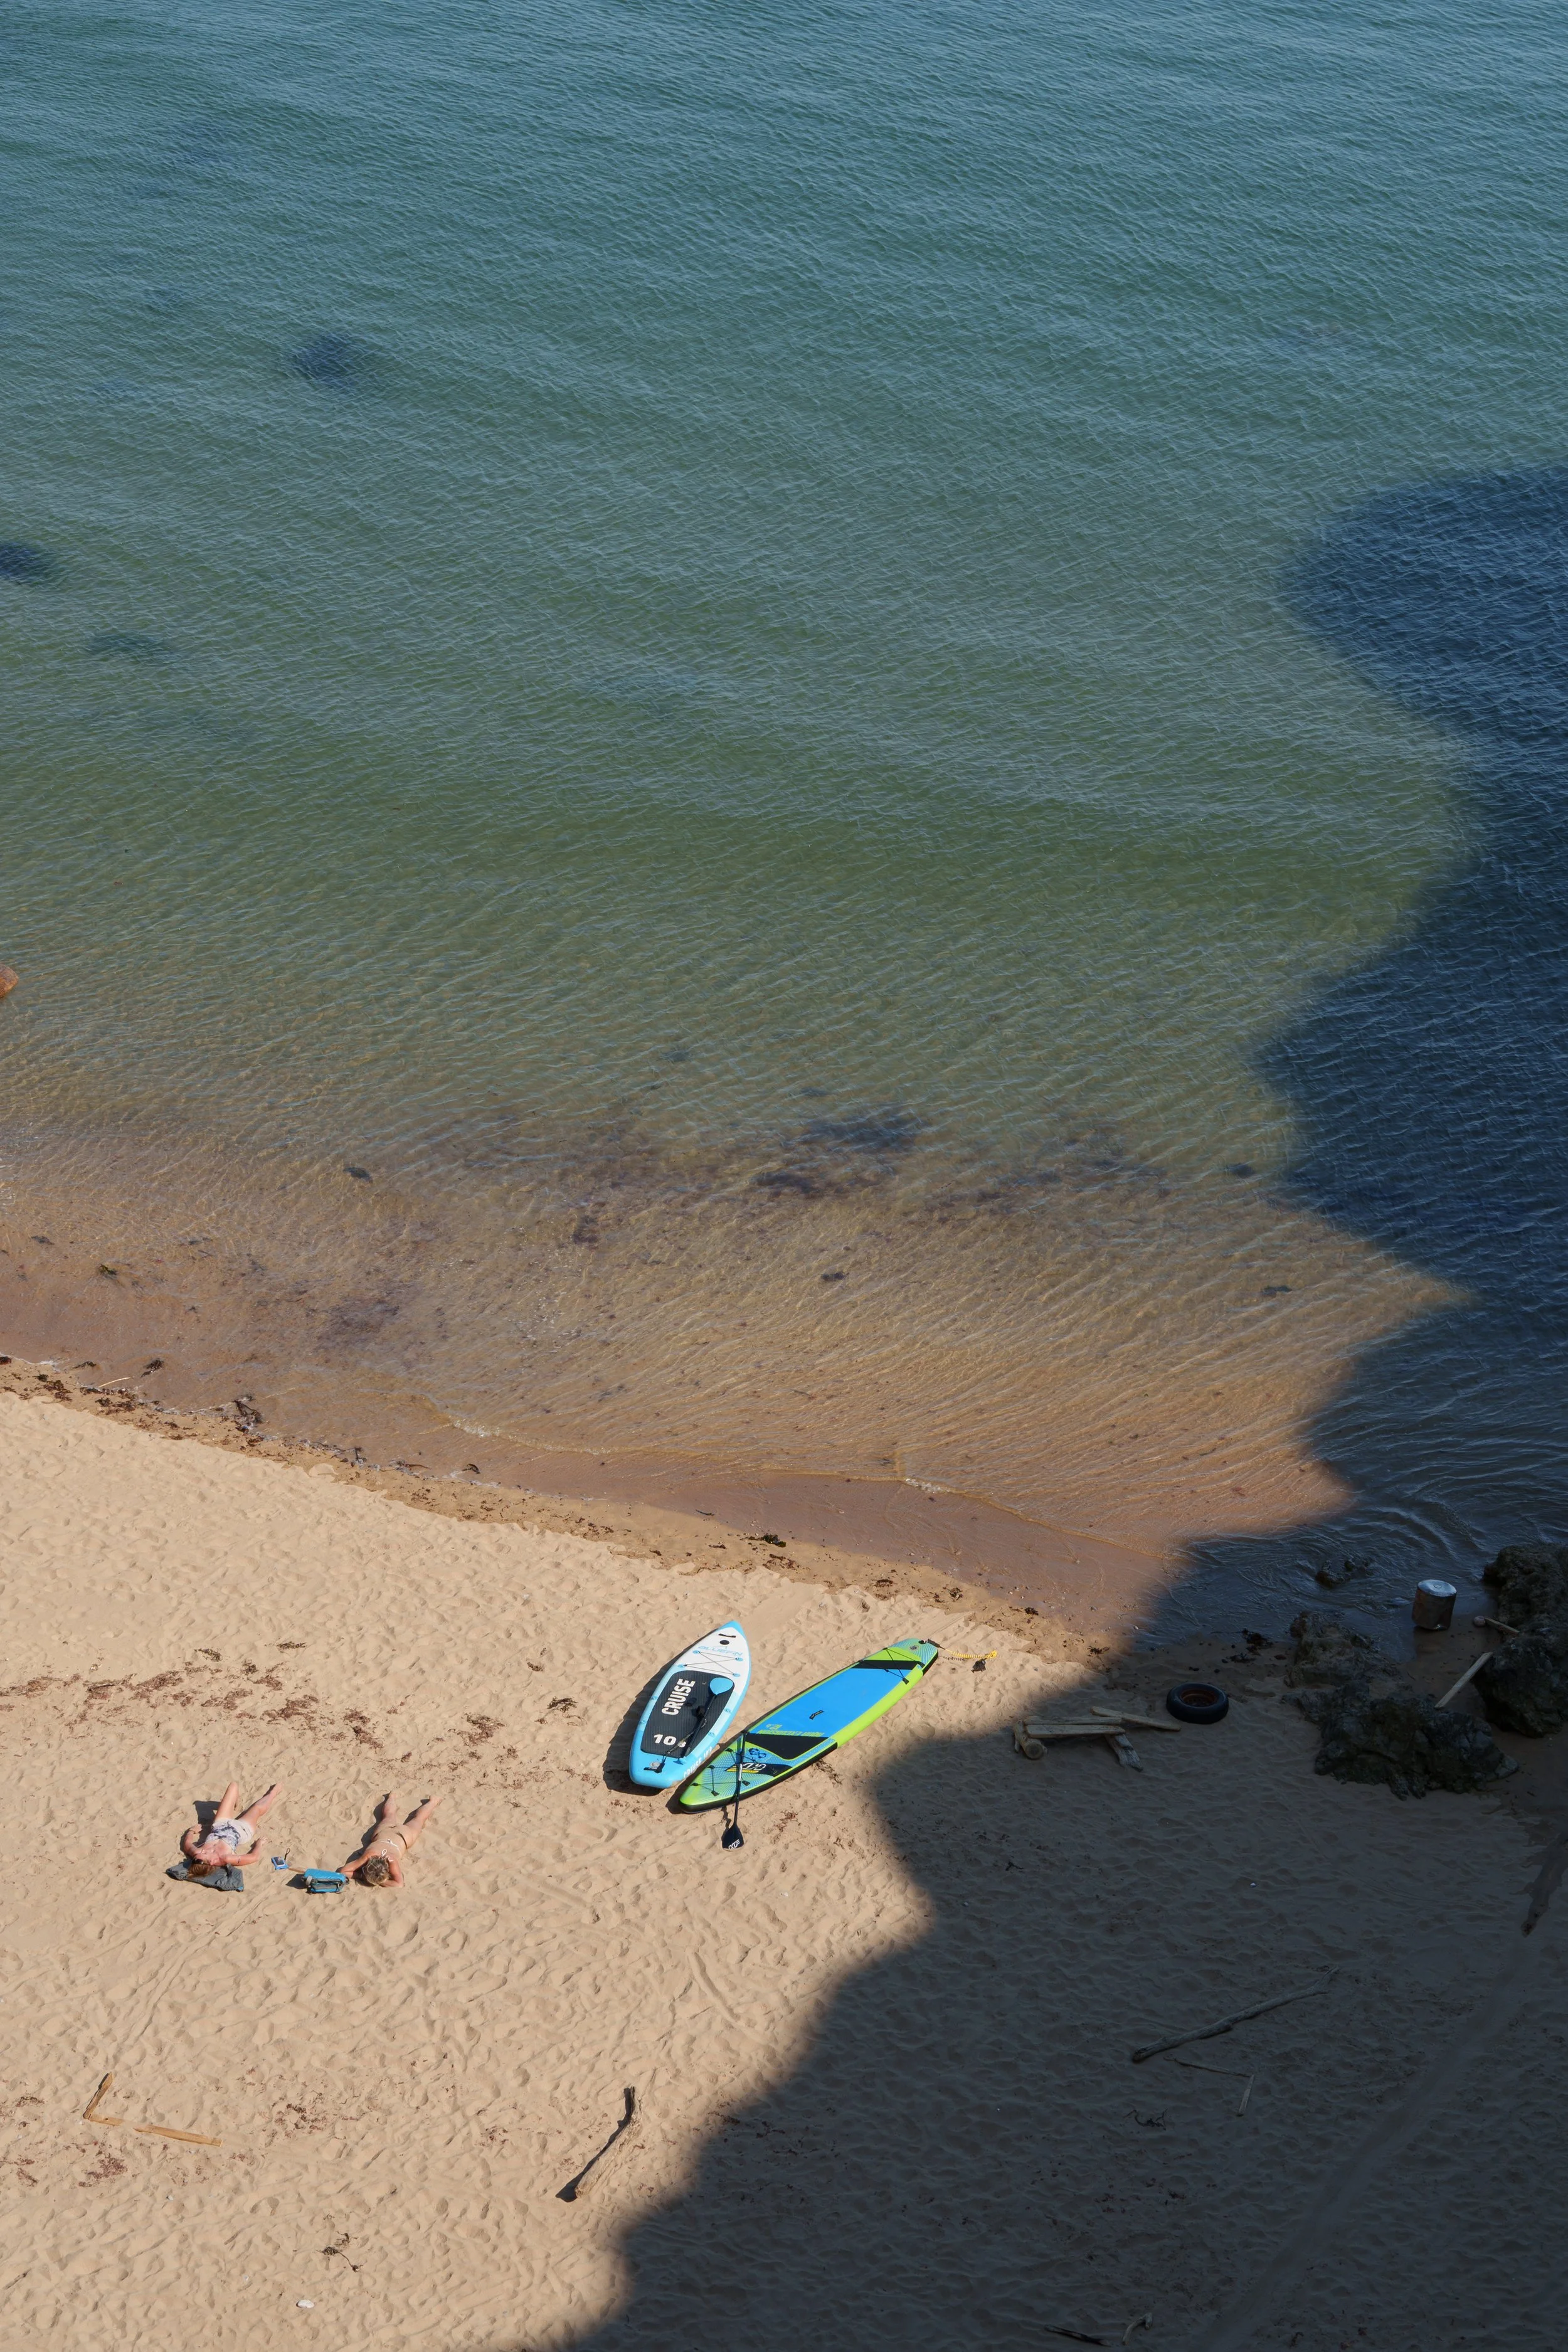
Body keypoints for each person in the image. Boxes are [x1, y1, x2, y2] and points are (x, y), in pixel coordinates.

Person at [178, 1781, 283, 1878]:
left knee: (233, 1786)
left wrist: (192, 1831)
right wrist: (259, 1844)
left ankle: (236, 1800)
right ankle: (274, 1793)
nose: (204, 1851)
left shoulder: (198, 1853)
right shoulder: (226, 1858)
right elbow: (254, 1857)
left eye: (199, 1854)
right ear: (211, 1862)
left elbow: (187, 1844)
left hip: (221, 1824)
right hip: (242, 1830)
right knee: (257, 1808)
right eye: (205, 1854)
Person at [341, 1791, 442, 1887]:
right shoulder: (371, 1855)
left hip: (401, 1836)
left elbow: (399, 1884)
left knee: (412, 1818)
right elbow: (343, 1871)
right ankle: (432, 1801)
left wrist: (368, 1878)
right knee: (415, 1819)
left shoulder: (391, 1860)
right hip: (390, 1834)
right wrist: (373, 1879)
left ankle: (394, 1797)